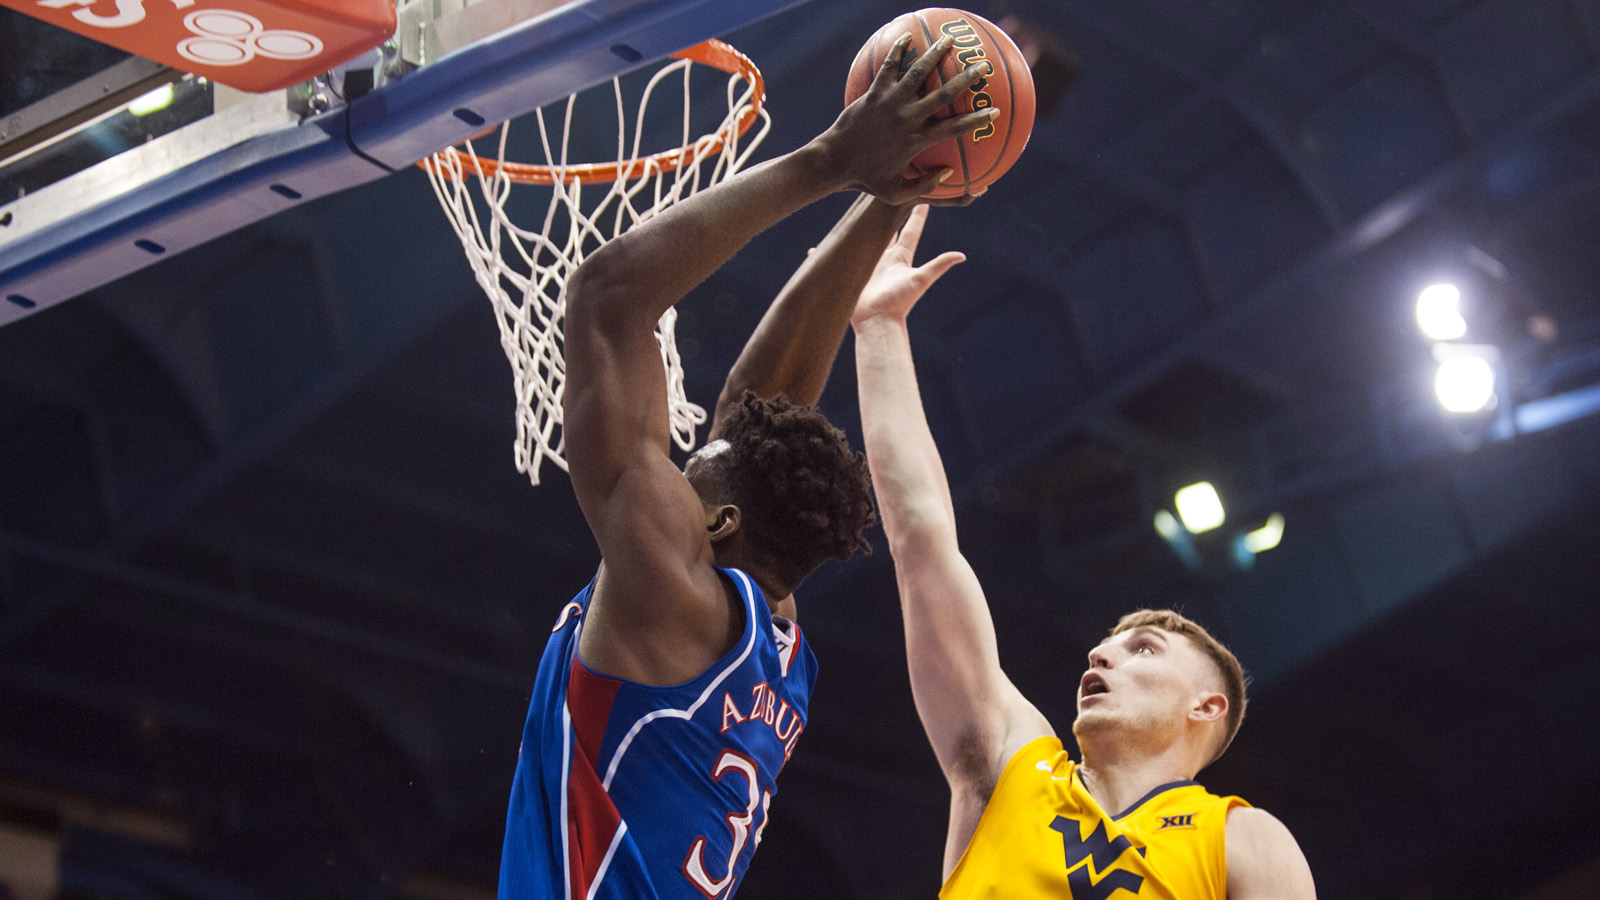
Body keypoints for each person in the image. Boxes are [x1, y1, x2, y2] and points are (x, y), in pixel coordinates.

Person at [496, 34, 999, 900]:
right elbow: (762, 413)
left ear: (720, 522)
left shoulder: (674, 594)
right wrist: (893, 191)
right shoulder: (775, 640)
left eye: (693, 466)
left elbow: (606, 301)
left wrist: (835, 159)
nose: (677, 457)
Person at [850, 206, 1318, 899]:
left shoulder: (1241, 840)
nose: (1102, 655)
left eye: (1145, 649)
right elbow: (921, 541)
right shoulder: (1011, 761)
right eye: (1111, 644)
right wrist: (879, 331)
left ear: (1206, 707)